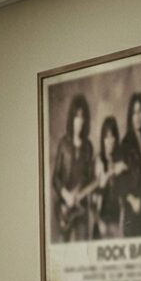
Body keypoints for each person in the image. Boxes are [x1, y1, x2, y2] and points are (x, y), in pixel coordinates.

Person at [51, 94, 94, 242]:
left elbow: (89, 179)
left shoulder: (88, 147)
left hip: (81, 209)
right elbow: (55, 178)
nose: (80, 121)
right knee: (62, 256)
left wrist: (97, 183)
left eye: (83, 117)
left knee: (82, 252)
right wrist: (66, 196)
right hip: (65, 210)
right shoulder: (63, 144)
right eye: (77, 117)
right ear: (72, 118)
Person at [120, 92, 141, 238]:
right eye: (134, 112)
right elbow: (119, 180)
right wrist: (132, 200)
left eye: (140, 111)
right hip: (132, 209)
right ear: (130, 116)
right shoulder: (125, 143)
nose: (138, 116)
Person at [92, 116, 126, 239]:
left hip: (118, 221)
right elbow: (94, 199)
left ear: (116, 138)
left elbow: (123, 196)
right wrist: (99, 222)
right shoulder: (99, 161)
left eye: (112, 136)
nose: (110, 140)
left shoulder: (121, 161)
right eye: (106, 137)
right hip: (102, 222)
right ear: (102, 139)